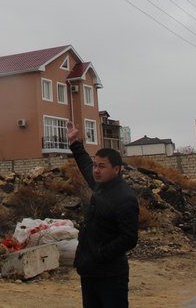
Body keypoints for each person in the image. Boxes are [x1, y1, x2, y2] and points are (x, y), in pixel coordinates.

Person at [67, 120, 139, 308]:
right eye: (95, 165)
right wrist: (75, 143)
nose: (96, 170)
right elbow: (85, 164)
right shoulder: (100, 185)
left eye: (102, 166)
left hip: (110, 275)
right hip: (90, 272)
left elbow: (129, 238)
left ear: (116, 169)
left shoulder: (125, 198)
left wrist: (99, 254)